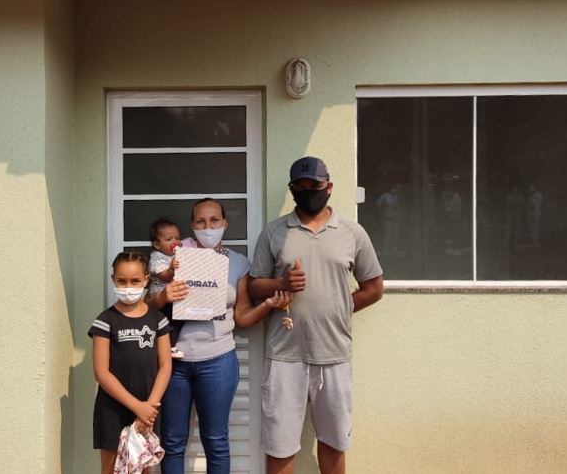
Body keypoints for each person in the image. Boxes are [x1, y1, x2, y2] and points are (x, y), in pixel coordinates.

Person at [248, 157, 384, 474]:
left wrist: (339, 306)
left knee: (334, 443)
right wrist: (280, 284)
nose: (308, 192)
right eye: (301, 186)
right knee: (280, 446)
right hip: (284, 354)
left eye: (315, 186)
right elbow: (254, 287)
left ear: (330, 187)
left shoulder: (352, 232)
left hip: (334, 353)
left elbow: (374, 287)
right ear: (292, 189)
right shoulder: (274, 233)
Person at [145, 198, 290, 474]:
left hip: (218, 361)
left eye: (214, 221)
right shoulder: (178, 258)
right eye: (200, 221)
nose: (207, 227)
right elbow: (146, 308)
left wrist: (268, 306)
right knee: (172, 442)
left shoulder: (238, 263)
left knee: (217, 442)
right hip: (173, 362)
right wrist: (164, 295)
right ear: (192, 225)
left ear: (225, 224)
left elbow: (243, 317)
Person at [89, 251, 173, 474]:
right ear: (113, 279)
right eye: (122, 281)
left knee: (143, 470)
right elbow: (101, 372)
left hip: (149, 409)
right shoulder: (105, 321)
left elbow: (165, 365)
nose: (128, 286)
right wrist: (137, 407)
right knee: (110, 470)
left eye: (135, 281)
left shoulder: (158, 319)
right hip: (112, 410)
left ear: (146, 280)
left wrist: (148, 408)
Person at [147, 218, 185, 359]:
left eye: (177, 238)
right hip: (162, 297)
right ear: (157, 245)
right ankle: (168, 347)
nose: (175, 241)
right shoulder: (157, 258)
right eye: (169, 239)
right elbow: (164, 276)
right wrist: (172, 269)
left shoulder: (175, 255)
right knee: (170, 323)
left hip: (173, 296)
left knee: (176, 322)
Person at [375, 186, 400, 257]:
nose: (394, 190)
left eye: (395, 189)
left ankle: (394, 249)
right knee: (388, 234)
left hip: (395, 218)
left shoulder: (398, 196)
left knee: (395, 234)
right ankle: (385, 250)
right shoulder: (385, 196)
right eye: (392, 188)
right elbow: (378, 203)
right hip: (387, 218)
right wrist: (382, 212)